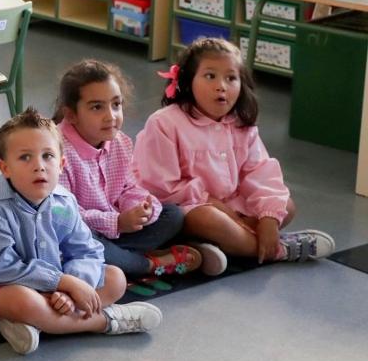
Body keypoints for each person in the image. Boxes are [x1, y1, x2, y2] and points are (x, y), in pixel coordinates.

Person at [0, 109, 164, 356]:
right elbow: (2, 268)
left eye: (48, 156)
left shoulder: (64, 202)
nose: (39, 166)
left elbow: (87, 250)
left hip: (53, 285)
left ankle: (36, 323)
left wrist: (71, 288)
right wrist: (63, 282)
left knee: (116, 278)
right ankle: (107, 321)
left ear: (61, 164)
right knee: (23, 301)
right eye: (25, 158)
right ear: (4, 167)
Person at [134, 37, 335, 264]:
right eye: (210, 76)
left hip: (230, 204)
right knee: (210, 219)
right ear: (189, 81)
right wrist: (221, 209)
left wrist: (269, 218)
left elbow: (260, 172)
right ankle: (278, 249)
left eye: (231, 78)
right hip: (184, 208)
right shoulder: (164, 123)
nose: (222, 86)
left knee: (285, 206)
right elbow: (162, 187)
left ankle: (226, 242)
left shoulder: (240, 123)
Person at [53, 59, 209, 278]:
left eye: (116, 105)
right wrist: (116, 222)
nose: (111, 116)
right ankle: (148, 265)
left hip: (116, 229)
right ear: (71, 115)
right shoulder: (56, 152)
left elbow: (128, 187)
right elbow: (65, 216)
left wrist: (140, 209)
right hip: (79, 233)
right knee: (88, 244)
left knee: (173, 215)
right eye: (97, 107)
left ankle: (122, 259)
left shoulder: (120, 142)